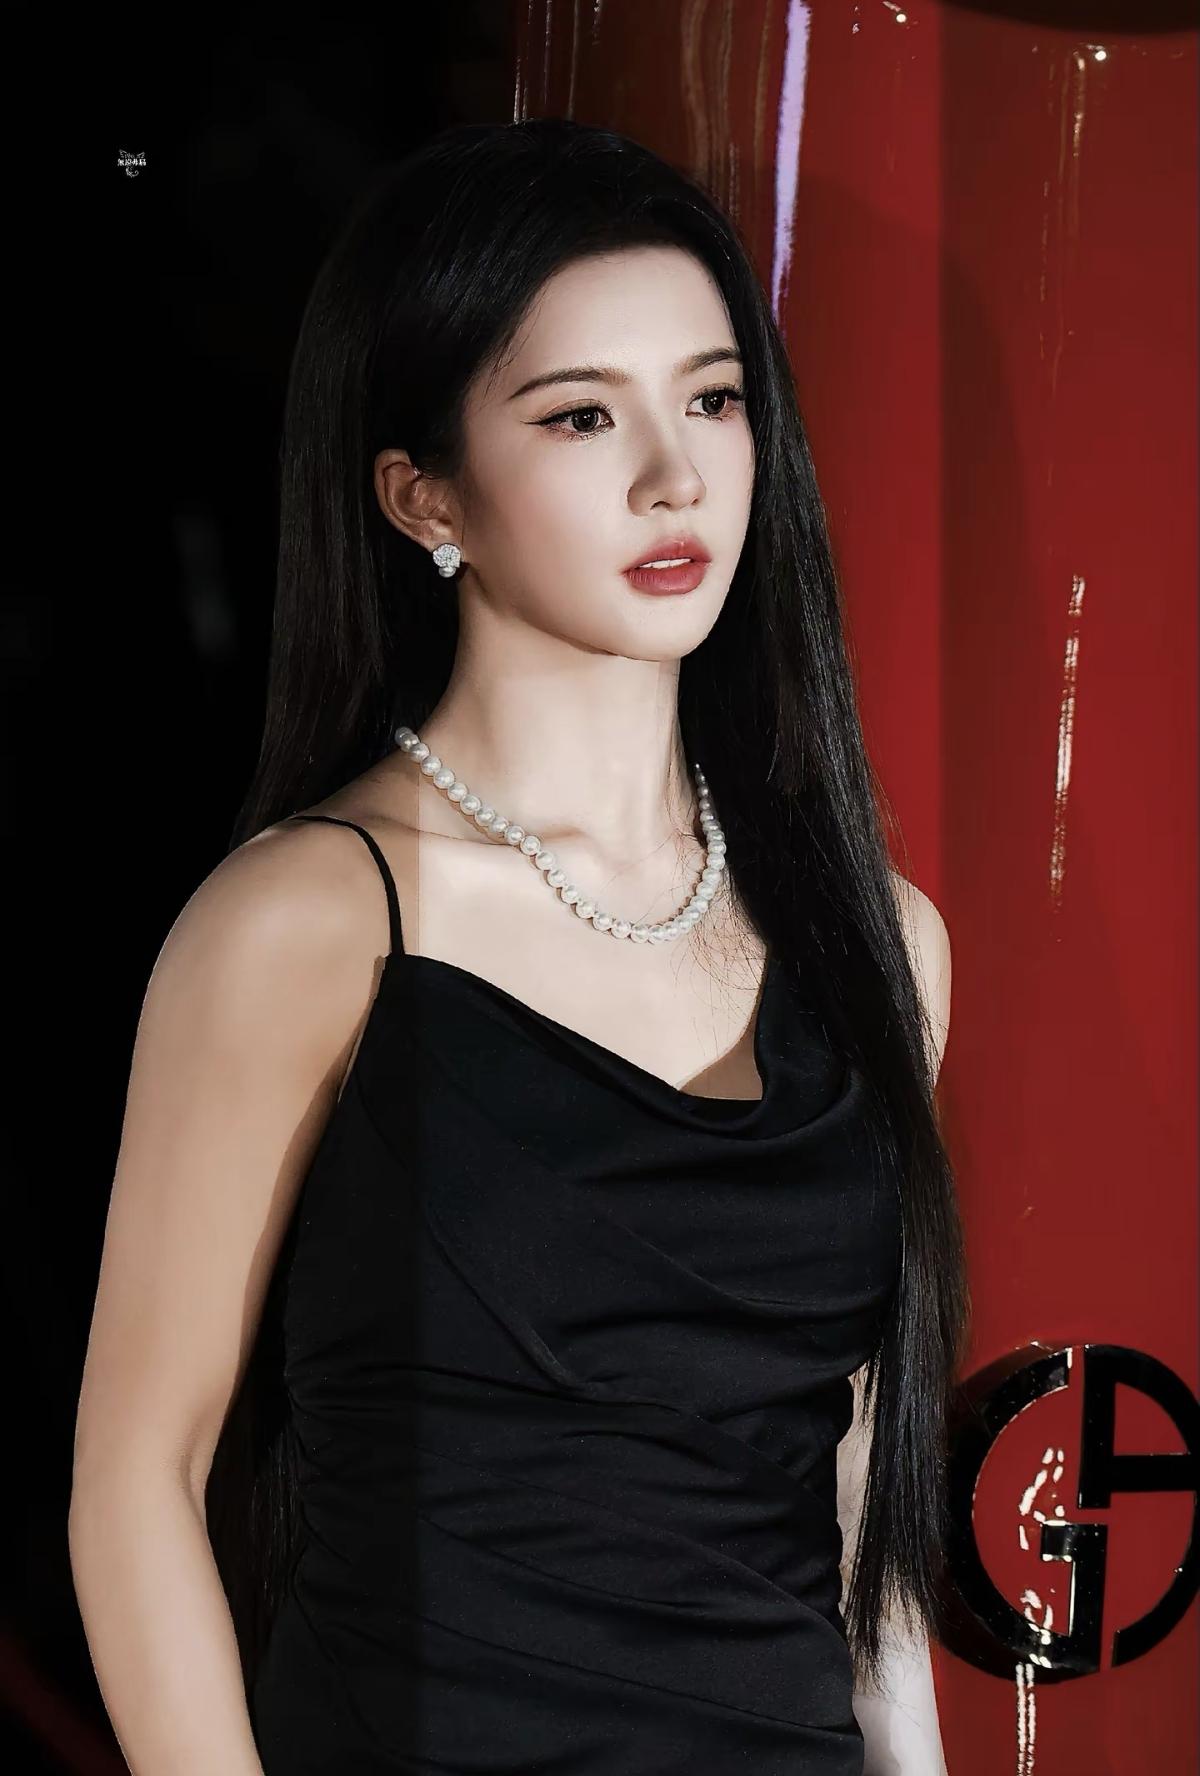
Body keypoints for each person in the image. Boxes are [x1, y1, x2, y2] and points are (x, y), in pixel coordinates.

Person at [69, 117, 968, 1774]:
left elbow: (861, 1522)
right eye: (580, 416)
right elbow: (137, 1479)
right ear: (425, 497)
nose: (674, 477)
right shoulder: (306, 922)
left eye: (712, 399)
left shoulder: (881, 944)